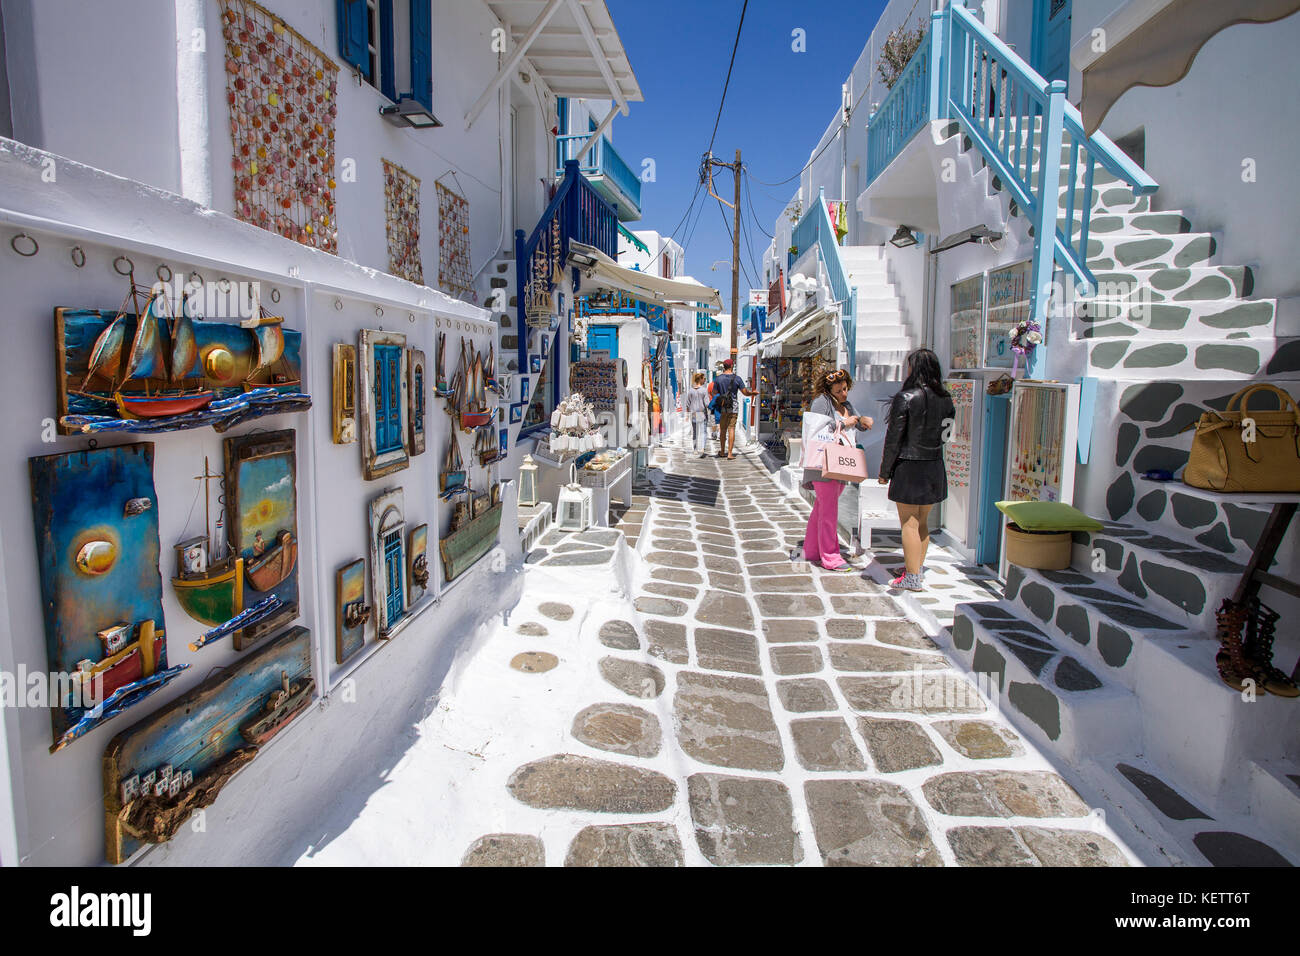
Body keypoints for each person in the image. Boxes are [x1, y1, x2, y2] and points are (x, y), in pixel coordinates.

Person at [878, 348, 956, 591]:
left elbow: (894, 439)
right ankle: (916, 570)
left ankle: (911, 578)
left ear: (915, 369)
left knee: (909, 523)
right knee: (922, 522)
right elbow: (947, 435)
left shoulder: (907, 398)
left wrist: (885, 471)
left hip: (909, 465)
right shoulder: (946, 399)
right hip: (933, 463)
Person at [801, 368, 873, 571]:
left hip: (840, 463)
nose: (844, 393)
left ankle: (812, 549)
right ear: (829, 388)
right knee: (829, 511)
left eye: (846, 388)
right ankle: (830, 557)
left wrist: (862, 421)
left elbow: (856, 422)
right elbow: (815, 429)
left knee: (822, 508)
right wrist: (842, 422)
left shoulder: (846, 404)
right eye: (840, 390)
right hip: (823, 464)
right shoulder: (821, 402)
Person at [712, 358, 755, 459]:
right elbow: (745, 392)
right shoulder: (737, 379)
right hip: (733, 406)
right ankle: (730, 453)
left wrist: (721, 396)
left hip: (723, 407)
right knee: (731, 429)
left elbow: (714, 393)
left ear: (724, 366)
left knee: (723, 429)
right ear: (731, 366)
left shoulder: (718, 379)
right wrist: (752, 393)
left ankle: (722, 451)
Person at [686, 371, 710, 456]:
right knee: (703, 431)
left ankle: (695, 449)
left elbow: (687, 404)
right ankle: (702, 448)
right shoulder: (704, 390)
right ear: (700, 379)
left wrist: (687, 414)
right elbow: (707, 403)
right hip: (702, 413)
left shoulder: (691, 390)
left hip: (693, 413)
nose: (705, 380)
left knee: (695, 432)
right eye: (704, 379)